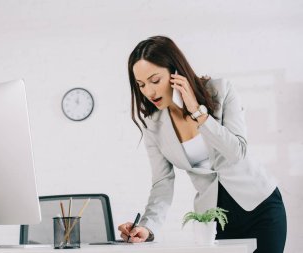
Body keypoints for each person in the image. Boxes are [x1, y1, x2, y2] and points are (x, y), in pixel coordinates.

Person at [118, 36, 287, 253]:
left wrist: (198, 112)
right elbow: (162, 182)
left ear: (175, 73)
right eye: (141, 85)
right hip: (216, 221)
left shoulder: (221, 90)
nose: (149, 92)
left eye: (155, 80)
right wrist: (147, 227)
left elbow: (237, 152)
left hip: (261, 208)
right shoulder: (154, 125)